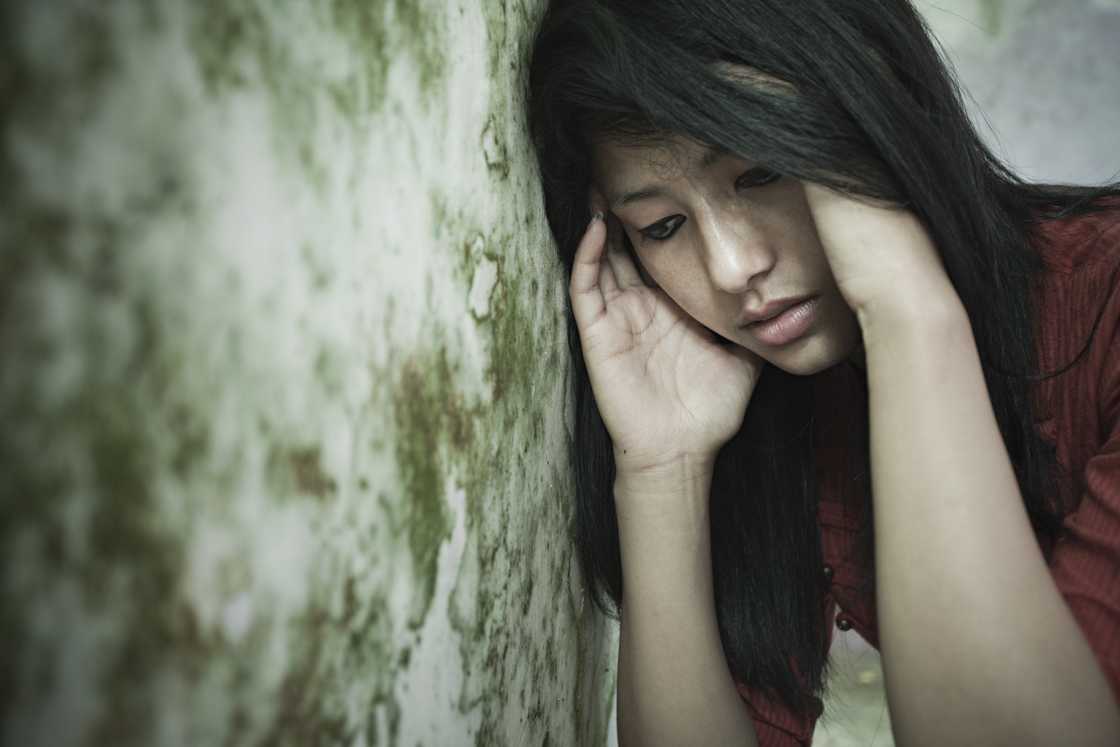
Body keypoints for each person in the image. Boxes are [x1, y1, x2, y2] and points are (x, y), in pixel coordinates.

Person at [526, 1, 1120, 745]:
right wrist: (663, 470)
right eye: (662, 227)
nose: (732, 267)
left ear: (873, 114)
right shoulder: (769, 396)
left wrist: (904, 305)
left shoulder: (1104, 297)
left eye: (763, 170)